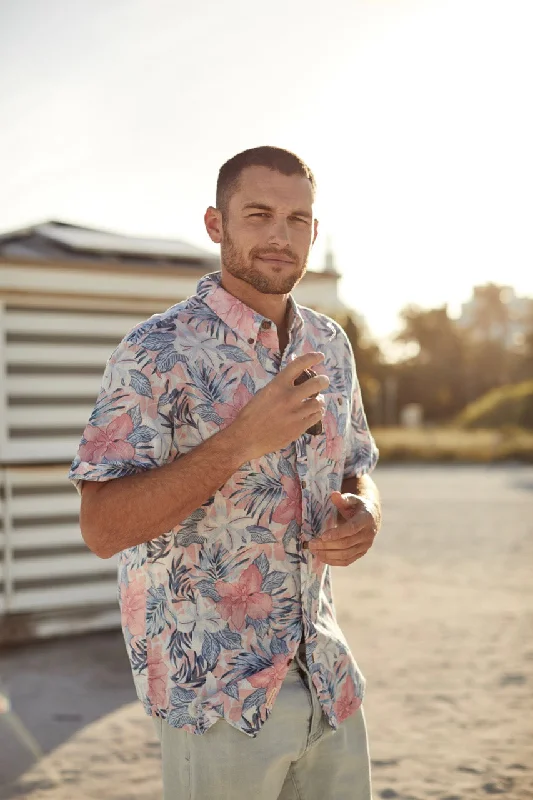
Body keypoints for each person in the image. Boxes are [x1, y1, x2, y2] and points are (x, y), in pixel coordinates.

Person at [69, 145, 381, 800]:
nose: (279, 235)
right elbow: (102, 528)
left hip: (327, 677)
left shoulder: (328, 343)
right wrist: (240, 441)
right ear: (216, 224)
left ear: (314, 232)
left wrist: (365, 509)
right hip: (212, 695)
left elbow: (356, 464)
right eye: (258, 214)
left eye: (297, 219)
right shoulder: (155, 351)